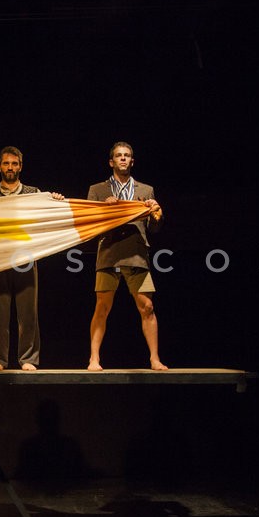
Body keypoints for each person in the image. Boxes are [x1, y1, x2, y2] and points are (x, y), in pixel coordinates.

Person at [0, 146, 63, 371]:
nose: (10, 167)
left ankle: (28, 358)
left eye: (14, 163)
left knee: (28, 313)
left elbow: (49, 213)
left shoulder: (33, 193)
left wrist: (56, 200)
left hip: (26, 259)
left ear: (20, 166)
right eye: (6, 163)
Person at [86, 142, 167, 371]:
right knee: (102, 307)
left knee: (147, 307)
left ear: (132, 161)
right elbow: (90, 225)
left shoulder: (145, 190)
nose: (123, 158)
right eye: (119, 155)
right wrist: (105, 209)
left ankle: (154, 358)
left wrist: (156, 212)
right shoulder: (98, 190)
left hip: (136, 254)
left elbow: (154, 228)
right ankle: (94, 359)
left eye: (127, 155)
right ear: (111, 161)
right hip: (109, 252)